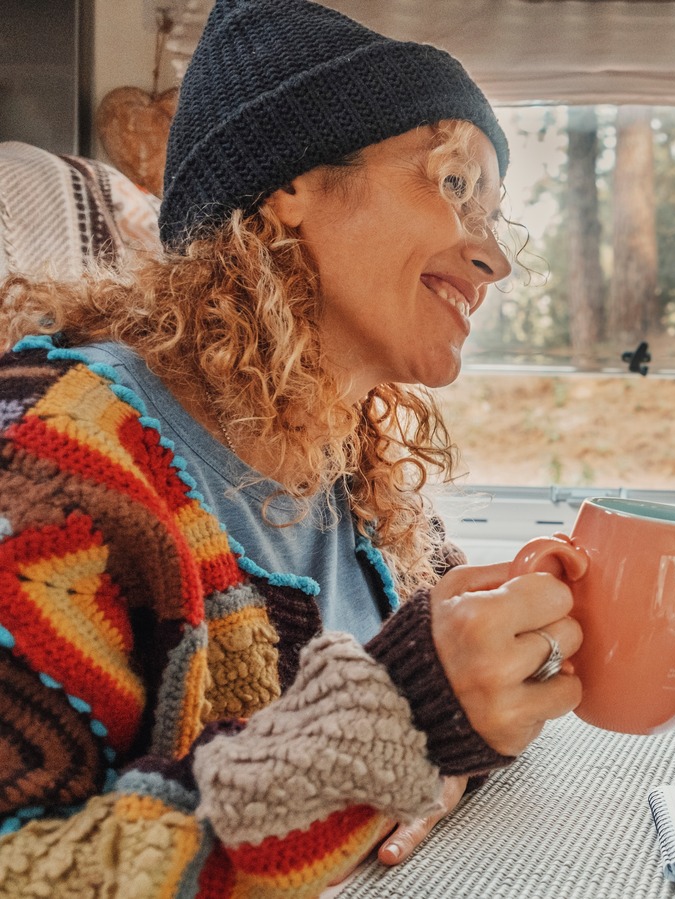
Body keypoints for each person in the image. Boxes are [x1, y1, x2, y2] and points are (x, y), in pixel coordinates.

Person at [0, 0, 583, 893]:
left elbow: (437, 721)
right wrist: (405, 728)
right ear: (289, 185)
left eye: (495, 215)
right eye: (456, 185)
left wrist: (440, 750)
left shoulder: (358, 472)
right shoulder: (59, 457)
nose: (493, 259)